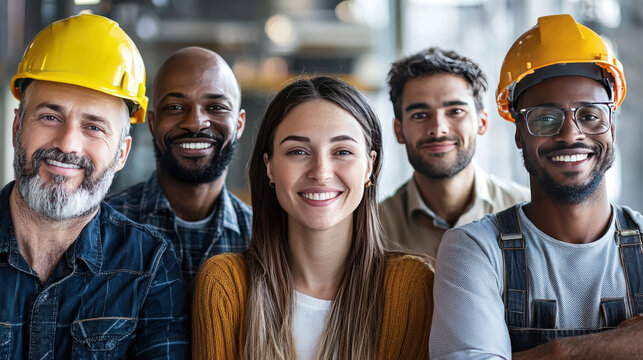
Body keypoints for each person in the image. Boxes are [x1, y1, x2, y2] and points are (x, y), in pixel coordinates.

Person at [430, 14, 643, 359]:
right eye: (545, 118)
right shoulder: (474, 251)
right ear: (519, 133)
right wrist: (608, 346)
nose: (571, 134)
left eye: (590, 115)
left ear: (612, 127)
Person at [192, 76, 433, 360]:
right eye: (298, 151)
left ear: (370, 166)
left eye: (342, 151)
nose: (321, 172)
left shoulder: (412, 286)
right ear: (269, 167)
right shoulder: (225, 284)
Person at [1, 14, 188, 358]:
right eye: (50, 117)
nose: (68, 144)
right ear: (16, 128)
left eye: (94, 127)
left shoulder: (149, 268)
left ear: (121, 154)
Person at [107, 47, 252, 290]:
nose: (195, 123)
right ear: (153, 124)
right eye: (175, 107)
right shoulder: (102, 227)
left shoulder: (264, 240)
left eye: (216, 107)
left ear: (239, 124)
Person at [381, 47, 529, 257]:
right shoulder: (373, 229)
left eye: (456, 111)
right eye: (420, 115)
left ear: (482, 122)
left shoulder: (528, 213)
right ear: (398, 130)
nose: (439, 128)